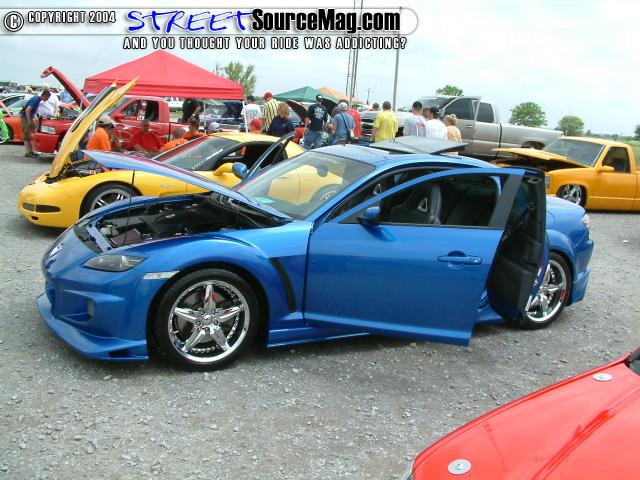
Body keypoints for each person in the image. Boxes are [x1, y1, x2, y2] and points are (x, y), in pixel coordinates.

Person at [20, 89, 51, 157]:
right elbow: (27, 110)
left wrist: (35, 117)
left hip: (28, 118)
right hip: (25, 118)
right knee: (27, 135)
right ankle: (28, 153)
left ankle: (31, 152)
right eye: (47, 98)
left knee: (31, 135)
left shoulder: (37, 99)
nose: (47, 100)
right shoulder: (36, 100)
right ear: (44, 96)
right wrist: (29, 121)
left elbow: (33, 112)